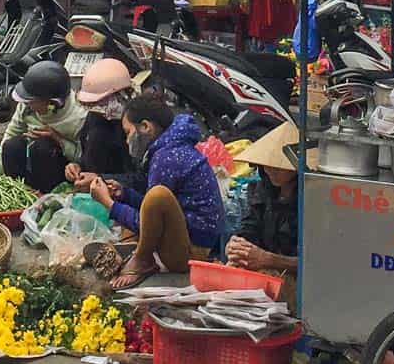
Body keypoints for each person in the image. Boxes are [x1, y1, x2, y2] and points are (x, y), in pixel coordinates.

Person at [84, 96, 225, 290]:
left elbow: (150, 217)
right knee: (142, 201)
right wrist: (123, 194)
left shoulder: (166, 157)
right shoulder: (170, 147)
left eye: (127, 132)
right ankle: (133, 249)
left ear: (145, 127)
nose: (126, 140)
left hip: (193, 251)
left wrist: (108, 203)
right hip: (186, 231)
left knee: (158, 194)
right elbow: (153, 212)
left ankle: (142, 259)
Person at [224, 121, 300, 284]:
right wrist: (237, 245)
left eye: (277, 166)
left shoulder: (313, 200)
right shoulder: (265, 189)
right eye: (266, 166)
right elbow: (250, 225)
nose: (270, 170)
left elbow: (317, 263)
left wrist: (269, 260)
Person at [0, 60, 85, 191]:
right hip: (32, 166)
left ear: (51, 103)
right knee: (12, 145)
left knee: (42, 147)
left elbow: (84, 157)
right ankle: (17, 190)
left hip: (62, 172)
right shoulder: (27, 105)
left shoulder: (78, 117)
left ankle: (44, 196)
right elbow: (11, 133)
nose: (25, 104)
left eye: (31, 101)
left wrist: (58, 139)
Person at [65, 57, 135, 182]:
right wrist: (77, 166)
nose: (99, 108)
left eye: (102, 102)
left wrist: (101, 179)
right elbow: (89, 155)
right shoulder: (95, 117)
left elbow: (139, 178)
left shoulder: (134, 126)